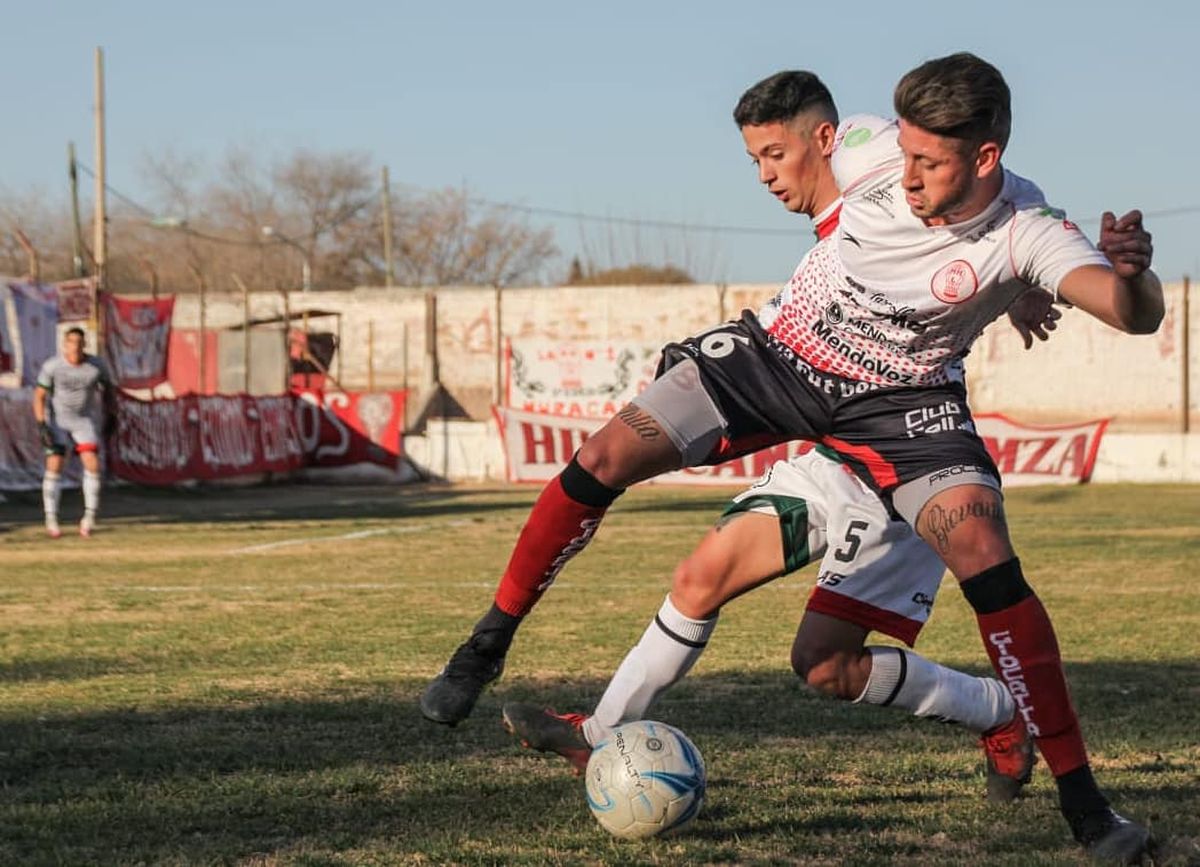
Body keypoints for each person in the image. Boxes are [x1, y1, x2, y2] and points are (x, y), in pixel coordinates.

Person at [425, 54, 1162, 862]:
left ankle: (1087, 808)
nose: (905, 175)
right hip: (780, 358)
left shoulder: (1029, 229)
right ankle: (486, 645)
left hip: (900, 407)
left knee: (976, 554)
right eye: (904, 152)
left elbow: (1124, 309)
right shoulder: (865, 144)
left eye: (929, 162)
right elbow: (812, 166)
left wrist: (1131, 276)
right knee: (606, 453)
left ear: (985, 158)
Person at [503, 70, 1060, 806]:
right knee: (700, 576)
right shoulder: (847, 215)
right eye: (755, 160)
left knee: (825, 666)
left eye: (774, 155)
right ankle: (600, 734)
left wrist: (1023, 285)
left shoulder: (896, 184)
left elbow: (995, 217)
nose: (766, 176)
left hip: (898, 466)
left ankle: (998, 713)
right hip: (832, 456)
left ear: (823, 141)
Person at [32, 327, 117, 538]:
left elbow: (109, 392)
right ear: (65, 344)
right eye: (71, 342)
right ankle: (51, 519)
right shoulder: (53, 366)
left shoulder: (96, 366)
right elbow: (40, 396)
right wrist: (42, 424)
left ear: (84, 344)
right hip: (58, 421)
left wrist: (112, 415)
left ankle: (88, 518)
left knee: (93, 464)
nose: (75, 347)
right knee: (55, 463)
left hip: (83, 421)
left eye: (79, 343)